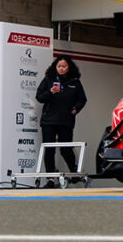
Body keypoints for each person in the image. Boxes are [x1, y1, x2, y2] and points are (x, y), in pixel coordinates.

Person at [35, 55, 87, 184]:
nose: (61, 68)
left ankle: (75, 172)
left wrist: (76, 108)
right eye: (59, 66)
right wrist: (50, 92)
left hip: (66, 121)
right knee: (49, 149)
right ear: (55, 67)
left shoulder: (75, 81)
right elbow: (39, 97)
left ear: (69, 67)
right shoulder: (49, 79)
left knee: (66, 149)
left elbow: (82, 99)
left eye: (64, 66)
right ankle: (50, 179)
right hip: (49, 121)